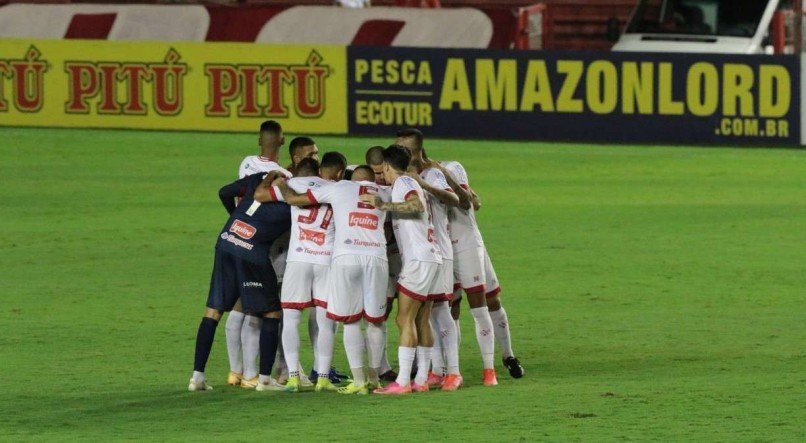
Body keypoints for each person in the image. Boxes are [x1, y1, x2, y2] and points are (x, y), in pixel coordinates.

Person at [279, 165, 391, 395]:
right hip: (377, 257)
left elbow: (294, 199)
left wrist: (281, 182)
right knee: (375, 322)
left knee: (350, 320)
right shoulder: (385, 191)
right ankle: (374, 378)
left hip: (345, 258)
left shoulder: (340, 187)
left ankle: (358, 381)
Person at [189, 172, 290, 392]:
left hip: (226, 241)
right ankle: (264, 380)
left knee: (213, 310)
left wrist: (236, 216)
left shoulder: (257, 179)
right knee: (272, 313)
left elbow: (225, 192)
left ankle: (197, 377)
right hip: (253, 255)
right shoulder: (290, 204)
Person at [257, 154, 347, 393]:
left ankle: (294, 376)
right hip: (325, 260)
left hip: (297, 259)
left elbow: (260, 195)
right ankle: (324, 376)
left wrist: (276, 177)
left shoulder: (293, 184)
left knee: (291, 318)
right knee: (325, 321)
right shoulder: (335, 187)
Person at [366, 145, 442, 395]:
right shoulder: (407, 182)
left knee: (403, 318)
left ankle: (403, 382)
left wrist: (381, 205)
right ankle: (420, 379)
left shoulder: (403, 182)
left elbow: (416, 206)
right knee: (421, 319)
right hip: (432, 258)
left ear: (387, 166)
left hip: (419, 260)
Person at [395, 129, 463, 391]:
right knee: (424, 315)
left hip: (439, 250)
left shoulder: (431, 174)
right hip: (419, 251)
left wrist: (424, 184)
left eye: (403, 148)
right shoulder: (402, 179)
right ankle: (434, 370)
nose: (399, 152)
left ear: (415, 151)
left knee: (440, 311)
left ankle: (453, 371)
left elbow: (455, 199)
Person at [225, 120, 292, 389]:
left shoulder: (247, 163)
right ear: (283, 140)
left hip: (238, 236)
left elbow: (235, 193)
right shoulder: (283, 176)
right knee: (259, 310)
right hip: (265, 247)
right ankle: (253, 376)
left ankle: (236, 371)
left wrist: (236, 218)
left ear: (258, 140)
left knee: (239, 304)